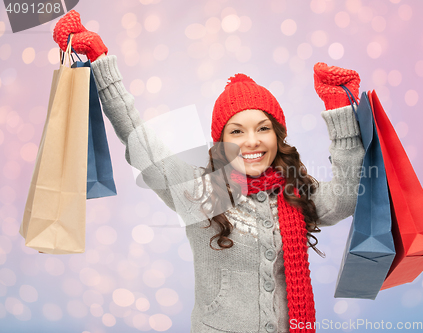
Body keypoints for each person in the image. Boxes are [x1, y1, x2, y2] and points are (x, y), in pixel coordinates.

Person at [53, 10, 364, 333]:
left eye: (263, 128)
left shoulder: (293, 191)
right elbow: (139, 139)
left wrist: (339, 111)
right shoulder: (206, 192)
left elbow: (346, 197)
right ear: (221, 142)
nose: (252, 141)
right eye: (237, 132)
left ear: (278, 135)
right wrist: (101, 62)